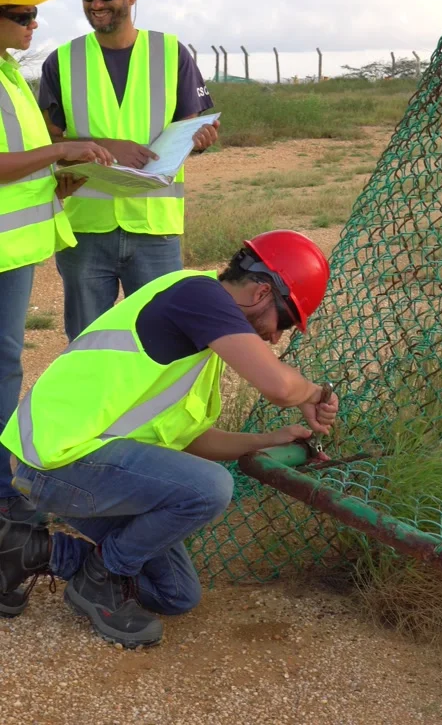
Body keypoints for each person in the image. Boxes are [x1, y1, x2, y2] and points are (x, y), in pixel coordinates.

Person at [0, 230, 338, 644]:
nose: (274, 337)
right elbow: (281, 388)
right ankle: (102, 577)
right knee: (212, 487)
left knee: (175, 594)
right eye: (284, 322)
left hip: (81, 465)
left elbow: (190, 440)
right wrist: (314, 394)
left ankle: (31, 551)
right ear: (262, 291)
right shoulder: (197, 296)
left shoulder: (201, 341)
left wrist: (264, 440)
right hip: (52, 461)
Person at [39, 0, 219, 343]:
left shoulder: (172, 53)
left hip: (154, 229)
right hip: (87, 229)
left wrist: (202, 135)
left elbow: (193, 125)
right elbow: (46, 145)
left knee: (160, 344)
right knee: (86, 347)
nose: (96, 4)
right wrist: (103, 149)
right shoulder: (61, 62)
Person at [0, 0, 113, 538]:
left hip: (14, 252)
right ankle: (4, 493)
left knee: (6, 364)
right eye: (21, 14)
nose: (33, 24)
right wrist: (58, 152)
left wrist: (55, 184)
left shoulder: (10, 72)